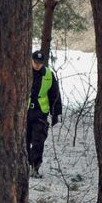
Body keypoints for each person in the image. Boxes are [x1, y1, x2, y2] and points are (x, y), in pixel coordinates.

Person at [27, 50, 63, 178]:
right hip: (25, 112)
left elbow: (55, 95)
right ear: (31, 60)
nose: (37, 65)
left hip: (40, 112)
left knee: (39, 141)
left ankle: (35, 167)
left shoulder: (48, 74)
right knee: (24, 140)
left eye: (39, 63)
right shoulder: (24, 71)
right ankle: (24, 165)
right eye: (35, 62)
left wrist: (56, 113)